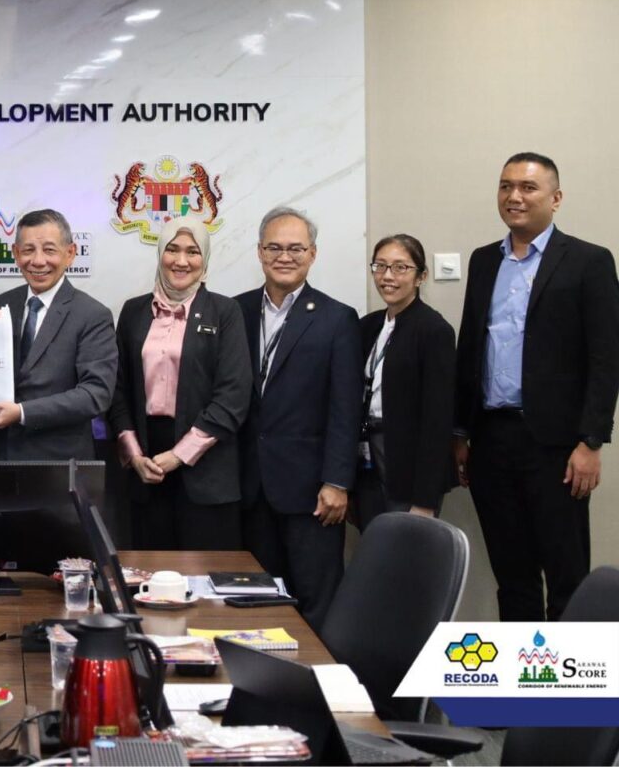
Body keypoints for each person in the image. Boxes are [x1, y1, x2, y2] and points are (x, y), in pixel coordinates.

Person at [455, 152, 619, 622]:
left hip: (557, 446)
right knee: (513, 576)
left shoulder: (589, 261)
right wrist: (460, 431)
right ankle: (521, 671)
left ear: (556, 198)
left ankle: (567, 673)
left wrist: (591, 441)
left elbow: (606, 357)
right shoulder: (484, 261)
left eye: (528, 187)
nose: (515, 196)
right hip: (491, 440)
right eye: (506, 186)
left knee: (567, 576)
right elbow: (471, 346)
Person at [236, 206, 361, 628]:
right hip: (249, 488)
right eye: (274, 247)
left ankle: (320, 674)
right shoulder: (235, 311)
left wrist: (337, 481)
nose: (284, 256)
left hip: (312, 492)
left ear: (313, 254)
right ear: (259, 252)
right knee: (256, 602)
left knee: (316, 603)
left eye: (295, 248)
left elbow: (346, 408)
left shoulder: (337, 318)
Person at [109, 217, 251, 551]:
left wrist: (178, 455)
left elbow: (233, 396)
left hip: (205, 467)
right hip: (144, 467)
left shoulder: (225, 311)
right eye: (172, 249)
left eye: (192, 251)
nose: (181, 261)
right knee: (148, 573)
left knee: (206, 574)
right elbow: (117, 389)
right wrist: (133, 454)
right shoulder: (133, 311)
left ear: (205, 259)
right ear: (160, 253)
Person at [0, 208, 116, 462]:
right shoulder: (2, 303)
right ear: (16, 254)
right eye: (28, 250)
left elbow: (95, 394)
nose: (38, 261)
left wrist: (22, 412)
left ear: (70, 253)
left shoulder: (93, 314)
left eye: (49, 250)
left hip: (58, 462)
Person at [353, 234, 456, 531]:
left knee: (406, 546)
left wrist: (425, 499)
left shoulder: (434, 330)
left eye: (400, 267)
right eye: (380, 266)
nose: (388, 276)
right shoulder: (368, 325)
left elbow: (437, 420)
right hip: (367, 457)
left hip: (408, 463)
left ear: (421, 276)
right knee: (373, 542)